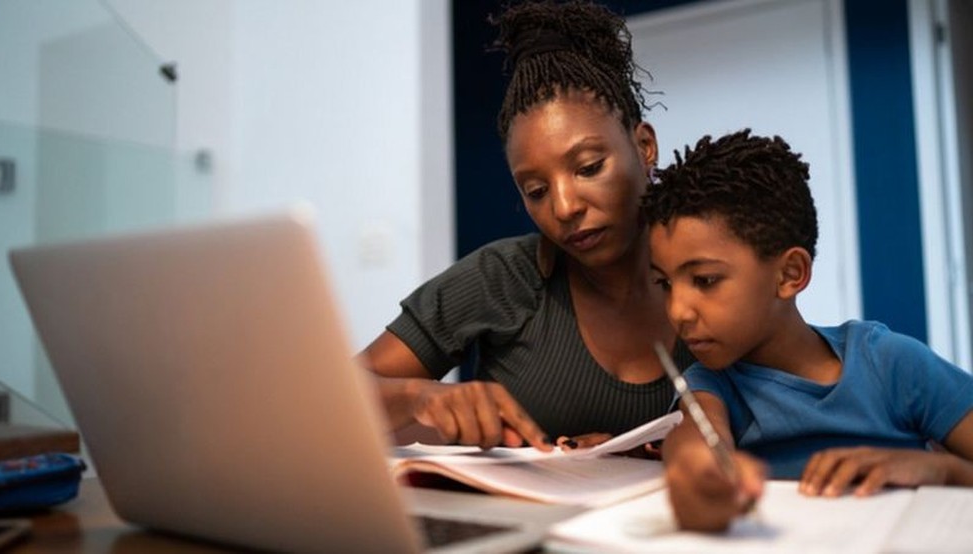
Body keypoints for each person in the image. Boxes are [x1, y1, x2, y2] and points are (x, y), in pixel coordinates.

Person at [358, 0, 693, 452]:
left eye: (589, 167)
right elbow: (338, 393)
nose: (565, 206)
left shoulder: (707, 271)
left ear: (645, 146)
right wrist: (419, 397)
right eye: (535, 190)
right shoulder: (501, 278)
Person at [643, 128, 973, 531]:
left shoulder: (891, 363)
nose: (677, 311)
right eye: (664, 284)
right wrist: (698, 470)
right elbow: (697, 440)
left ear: (790, 273)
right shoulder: (711, 382)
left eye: (706, 280)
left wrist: (940, 471)